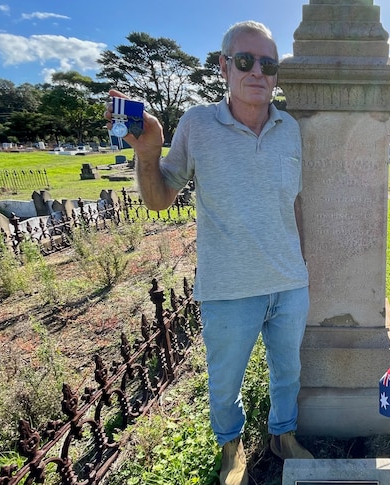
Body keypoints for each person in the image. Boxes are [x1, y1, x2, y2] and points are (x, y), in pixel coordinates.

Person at [106, 20, 312, 485]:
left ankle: (283, 436)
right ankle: (231, 449)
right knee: (225, 382)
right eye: (245, 60)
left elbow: (294, 201)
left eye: (268, 64)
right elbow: (160, 199)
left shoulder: (290, 130)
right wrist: (147, 153)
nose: (257, 71)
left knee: (288, 373)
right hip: (228, 286)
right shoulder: (197, 124)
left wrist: (301, 262)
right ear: (224, 66)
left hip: (288, 282)